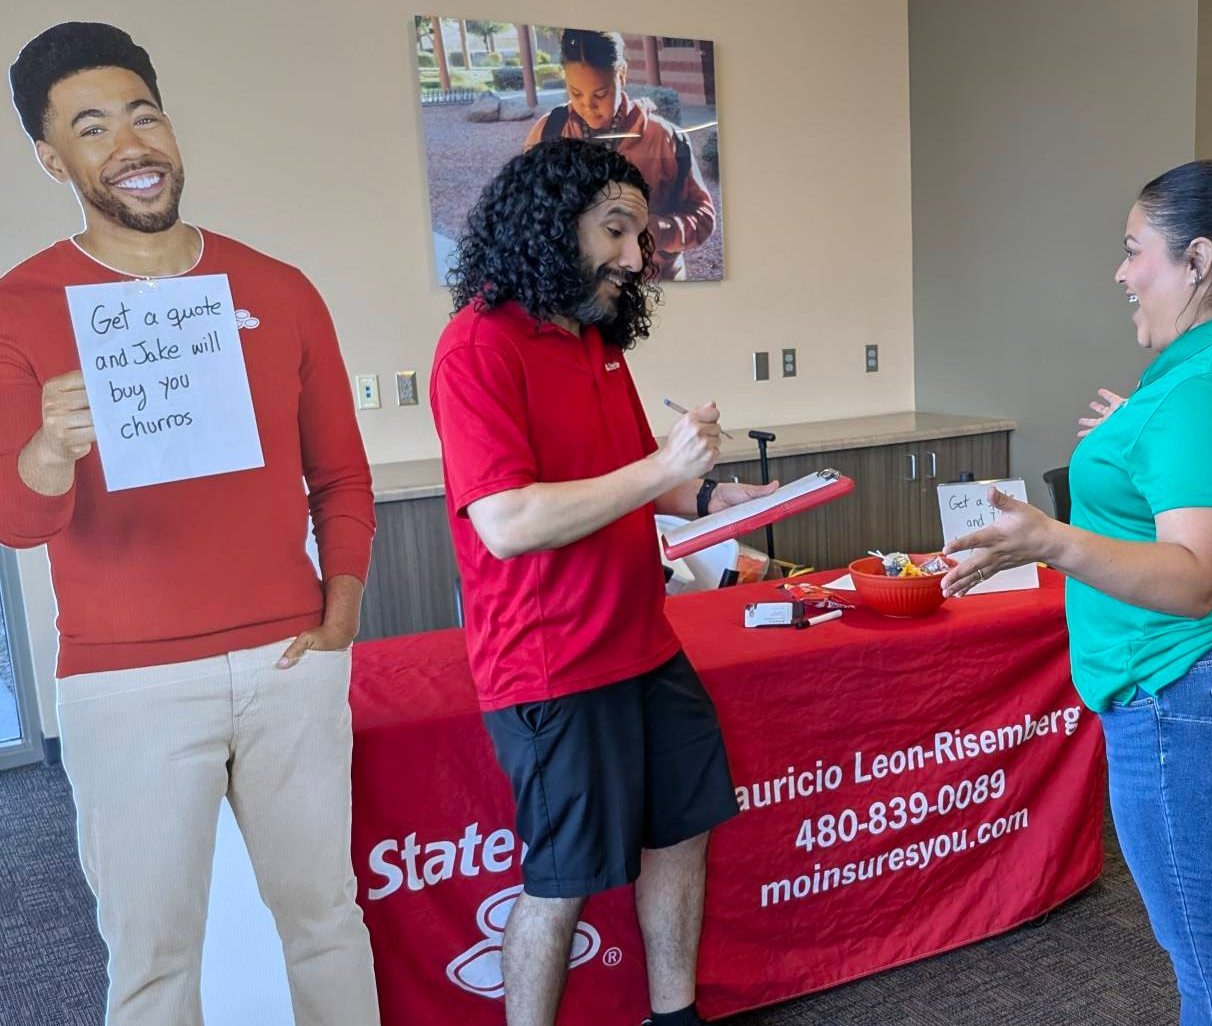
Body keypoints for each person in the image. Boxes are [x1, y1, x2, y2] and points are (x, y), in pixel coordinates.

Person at [1, 23, 380, 1026]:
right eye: (92, 128)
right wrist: (50, 450)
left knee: (327, 922)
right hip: (125, 687)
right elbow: (16, 518)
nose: (131, 146)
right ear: (54, 159)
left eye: (144, 114)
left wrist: (340, 610)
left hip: (292, 663)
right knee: (155, 960)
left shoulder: (276, 288)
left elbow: (341, 474)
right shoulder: (21, 307)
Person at [941, 159, 1212, 1026]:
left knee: (1211, 963)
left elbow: (1195, 579)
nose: (1121, 274)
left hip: (1191, 693)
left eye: (1134, 252)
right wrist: (1149, 430)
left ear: (1195, 261)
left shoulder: (1208, 389)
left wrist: (1048, 539)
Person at [430, 138, 774, 1026]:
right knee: (562, 881)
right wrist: (661, 469)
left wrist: (711, 491)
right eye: (615, 231)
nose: (635, 257)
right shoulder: (476, 347)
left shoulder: (592, 340)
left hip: (642, 644)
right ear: (550, 229)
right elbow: (508, 523)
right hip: (551, 666)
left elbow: (627, 485)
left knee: (683, 831)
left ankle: (674, 1017)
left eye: (642, 234)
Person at [524, 29, 715, 281]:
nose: (587, 106)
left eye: (600, 94)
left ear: (622, 75)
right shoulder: (548, 132)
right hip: (575, 290)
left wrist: (662, 230)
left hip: (652, 287)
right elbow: (523, 207)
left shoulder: (665, 138)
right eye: (575, 92)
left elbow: (704, 217)